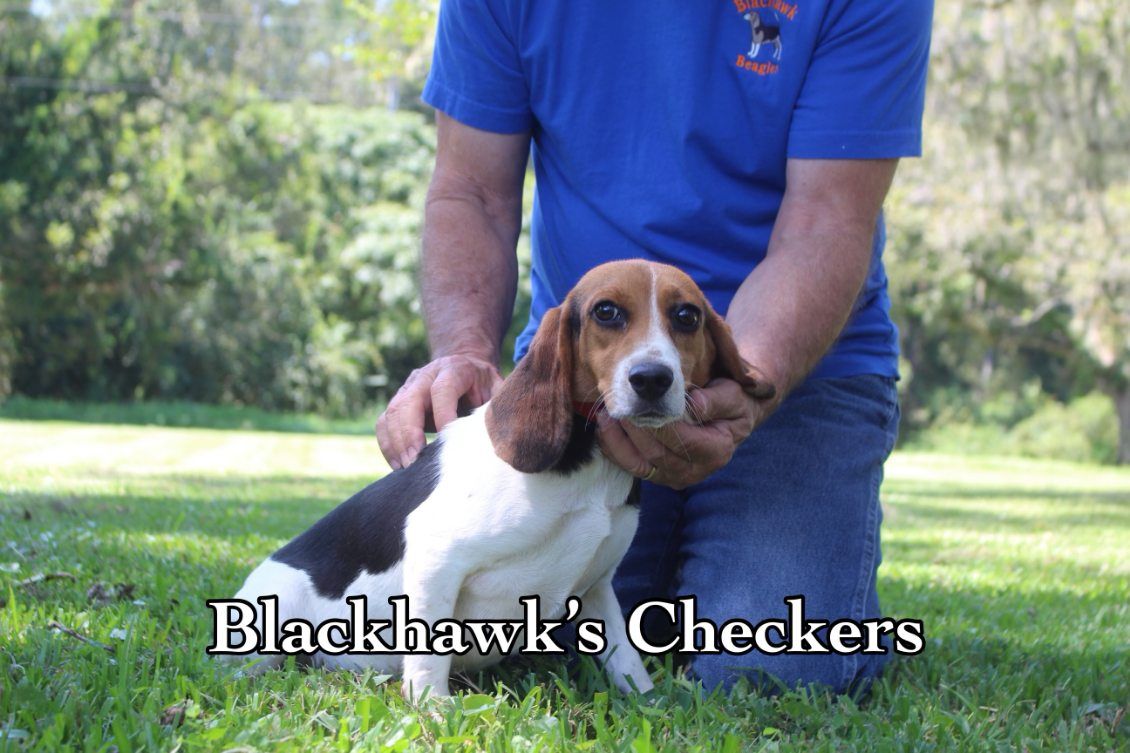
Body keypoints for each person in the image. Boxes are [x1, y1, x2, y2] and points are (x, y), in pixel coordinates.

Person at [376, 0, 933, 694]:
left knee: (769, 669)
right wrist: (464, 352)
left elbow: (826, 221)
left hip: (795, 371)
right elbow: (471, 194)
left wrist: (739, 392)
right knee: (538, 651)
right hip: (579, 380)